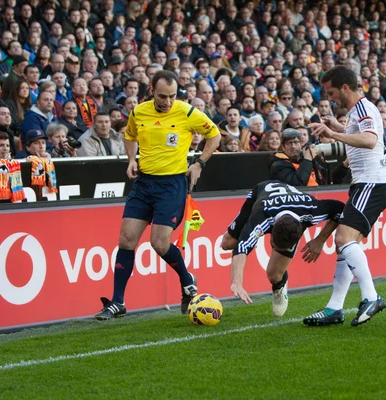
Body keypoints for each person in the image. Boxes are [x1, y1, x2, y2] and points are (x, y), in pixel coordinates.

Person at [95, 70, 221, 320]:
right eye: (163, 96)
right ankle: (118, 302)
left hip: (172, 184)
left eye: (172, 96)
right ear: (152, 90)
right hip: (144, 184)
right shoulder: (138, 112)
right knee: (126, 240)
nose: (167, 102)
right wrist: (131, 159)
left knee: (159, 243)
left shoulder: (187, 112)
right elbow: (129, 135)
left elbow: (214, 135)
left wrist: (199, 164)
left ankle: (187, 280)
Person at [306, 66, 386, 327]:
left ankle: (371, 296)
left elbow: (368, 140)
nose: (330, 98)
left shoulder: (365, 108)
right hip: (366, 184)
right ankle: (334, 308)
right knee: (344, 242)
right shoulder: (356, 112)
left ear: (345, 87)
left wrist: (333, 134)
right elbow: (360, 140)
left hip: (372, 183)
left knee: (343, 238)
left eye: (332, 92)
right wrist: (339, 127)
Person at [223, 180, 344, 316]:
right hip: (261, 194)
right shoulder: (262, 216)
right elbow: (242, 247)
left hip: (294, 208)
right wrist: (237, 283)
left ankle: (280, 286)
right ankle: (250, 235)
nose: (273, 248)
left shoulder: (312, 209)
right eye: (274, 245)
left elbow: (340, 209)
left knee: (274, 275)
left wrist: (320, 240)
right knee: (227, 244)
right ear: (271, 233)